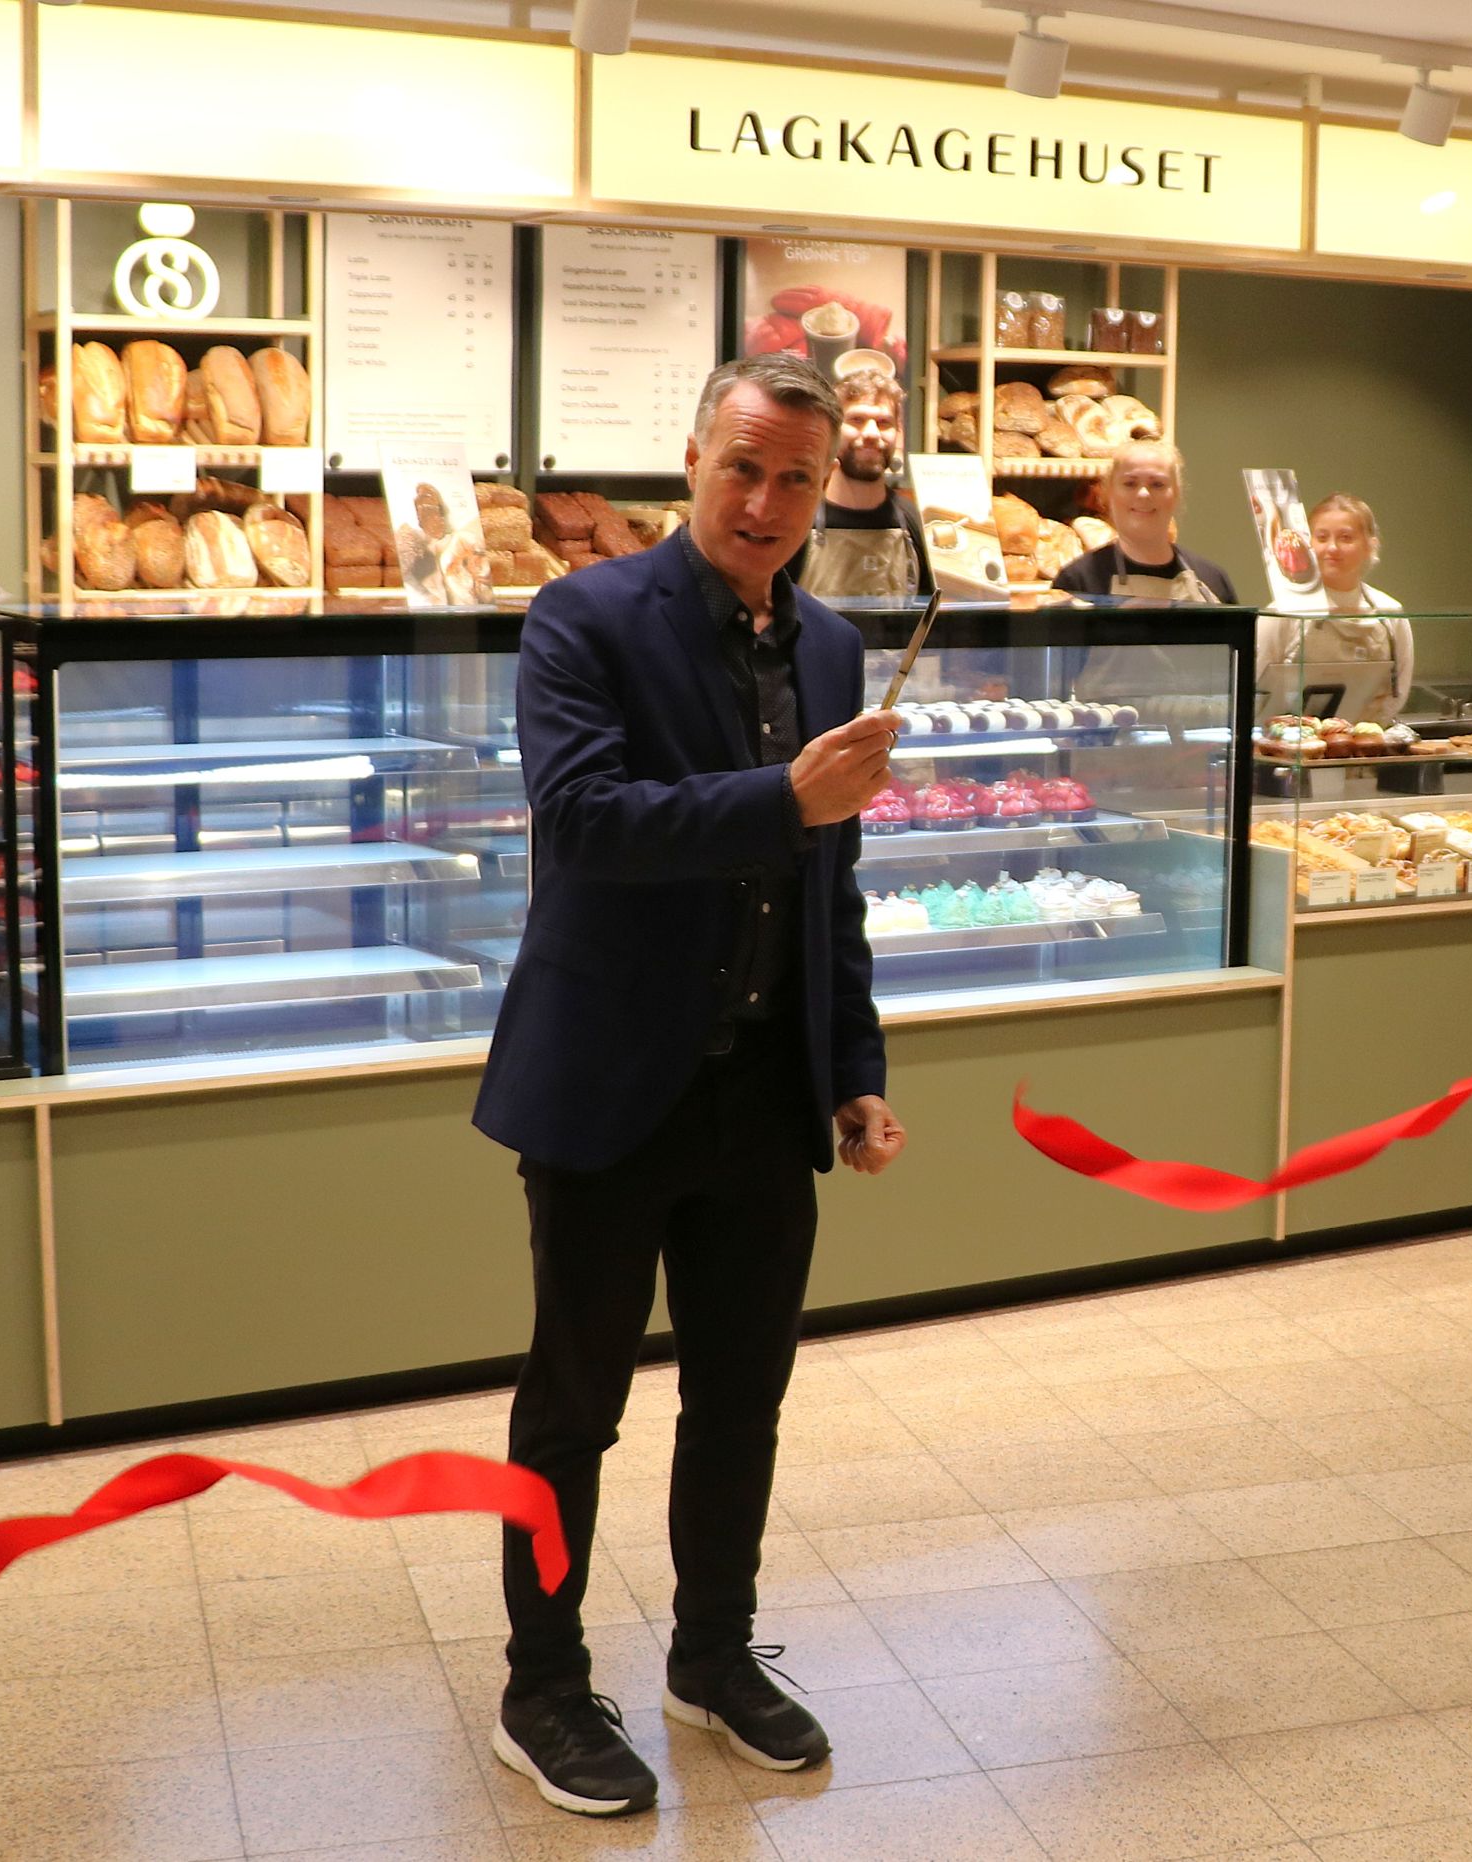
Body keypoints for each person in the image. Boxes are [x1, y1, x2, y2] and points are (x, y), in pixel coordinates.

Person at [472, 353, 910, 1819]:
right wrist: (785, 799)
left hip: (758, 1096)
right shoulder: (581, 615)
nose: (768, 501)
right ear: (692, 459)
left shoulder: (834, 646)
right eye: (743, 467)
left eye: (796, 476)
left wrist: (851, 1069)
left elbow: (828, 888)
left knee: (743, 1398)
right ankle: (541, 1687)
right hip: (608, 1085)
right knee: (572, 1404)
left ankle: (711, 1654)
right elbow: (585, 821)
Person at [1257, 492, 1414, 719]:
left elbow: (1397, 690)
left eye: (1346, 538)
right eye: (1321, 537)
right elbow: (1256, 690)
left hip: (1364, 746)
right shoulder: (1282, 612)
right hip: (1288, 746)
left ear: (1370, 545)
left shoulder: (1389, 612)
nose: (1332, 548)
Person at [792, 369, 933, 599]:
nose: (871, 433)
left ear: (898, 432)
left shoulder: (911, 521)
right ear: (830, 430)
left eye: (883, 422)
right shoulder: (798, 517)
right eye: (856, 420)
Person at [1051, 439, 1240, 602]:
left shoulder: (1214, 580)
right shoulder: (1076, 582)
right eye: (1130, 483)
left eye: (1157, 484)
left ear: (1175, 495)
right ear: (1108, 495)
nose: (1143, 494)